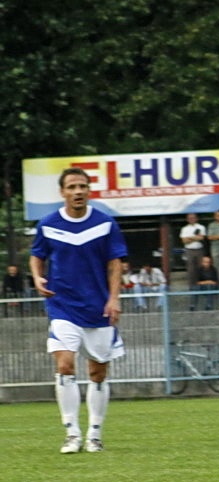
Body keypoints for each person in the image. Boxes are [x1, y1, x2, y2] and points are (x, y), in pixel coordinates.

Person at [29, 167, 128, 454]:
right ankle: (71, 433)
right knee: (64, 365)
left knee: (97, 373)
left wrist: (114, 299)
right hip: (62, 306)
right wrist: (37, 277)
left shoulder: (105, 224)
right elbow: (36, 256)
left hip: (98, 308)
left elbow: (115, 264)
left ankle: (94, 434)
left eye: (82, 186)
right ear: (62, 192)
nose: (78, 191)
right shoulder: (47, 224)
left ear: (89, 191)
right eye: (72, 187)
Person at [179, 213, 206, 290]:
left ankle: (202, 287)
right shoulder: (184, 229)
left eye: (193, 218)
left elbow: (201, 238)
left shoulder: (201, 227)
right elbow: (184, 241)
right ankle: (192, 287)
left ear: (196, 218)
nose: (192, 219)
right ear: (187, 219)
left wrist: (189, 238)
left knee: (201, 268)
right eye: (190, 218)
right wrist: (195, 237)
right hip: (189, 250)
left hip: (199, 250)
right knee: (191, 270)